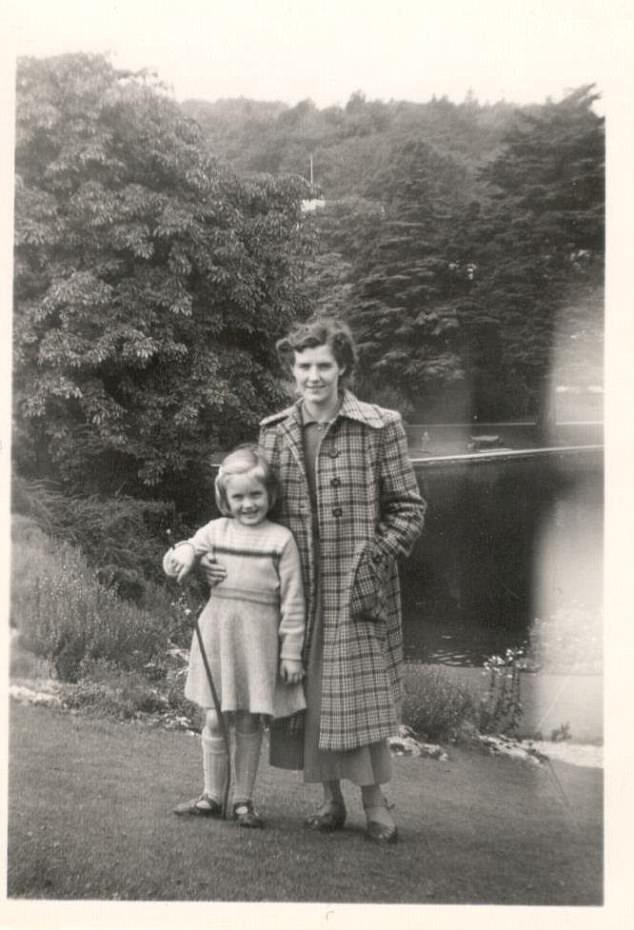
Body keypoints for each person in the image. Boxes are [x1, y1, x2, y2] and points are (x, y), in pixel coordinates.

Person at [203, 317, 426, 843]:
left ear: (343, 368)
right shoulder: (274, 431)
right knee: (307, 697)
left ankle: (375, 806)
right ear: (292, 372)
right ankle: (331, 803)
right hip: (292, 588)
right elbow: (248, 507)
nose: (314, 376)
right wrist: (214, 558)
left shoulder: (379, 425)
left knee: (356, 696)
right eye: (304, 366)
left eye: (324, 365)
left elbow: (409, 509)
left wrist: (375, 555)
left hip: (357, 588)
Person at [162, 444, 306, 828]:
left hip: (258, 642)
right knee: (213, 719)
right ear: (224, 498)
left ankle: (243, 801)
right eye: (238, 496)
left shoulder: (281, 540)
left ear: (270, 495)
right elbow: (182, 551)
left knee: (248, 723)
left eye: (255, 495)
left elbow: (294, 602)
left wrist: (291, 653)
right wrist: (185, 558)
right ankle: (211, 796)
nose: (247, 504)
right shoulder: (215, 531)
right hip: (218, 635)